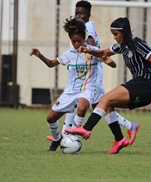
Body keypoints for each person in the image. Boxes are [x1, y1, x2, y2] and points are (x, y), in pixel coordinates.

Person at [66, 17, 151, 154]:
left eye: (116, 34)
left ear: (124, 32)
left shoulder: (137, 44)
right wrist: (87, 50)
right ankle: (120, 139)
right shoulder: (122, 46)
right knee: (107, 104)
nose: (115, 38)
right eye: (113, 34)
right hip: (139, 86)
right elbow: (103, 52)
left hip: (145, 85)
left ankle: (86, 129)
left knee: (105, 98)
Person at [59, 0, 140, 145]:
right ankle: (127, 129)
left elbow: (90, 45)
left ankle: (67, 135)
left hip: (91, 74)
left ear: (89, 14)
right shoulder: (82, 27)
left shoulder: (87, 27)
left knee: (88, 102)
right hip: (90, 72)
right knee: (100, 106)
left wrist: (82, 58)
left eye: (82, 13)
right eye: (77, 13)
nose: (79, 16)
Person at [29, 17, 115, 151]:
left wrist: (110, 62)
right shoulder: (69, 54)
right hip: (71, 90)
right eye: (73, 41)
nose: (76, 44)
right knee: (50, 118)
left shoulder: (93, 51)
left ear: (84, 38)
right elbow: (51, 64)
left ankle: (72, 135)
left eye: (79, 41)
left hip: (88, 88)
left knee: (82, 105)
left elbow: (111, 62)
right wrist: (39, 55)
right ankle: (57, 139)